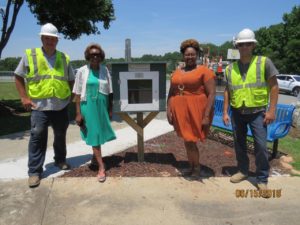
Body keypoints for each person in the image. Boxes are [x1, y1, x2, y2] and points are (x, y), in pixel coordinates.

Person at [14, 23, 75, 188]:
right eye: (47, 38)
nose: (50, 41)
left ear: (57, 40)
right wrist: (23, 97)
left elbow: (71, 79)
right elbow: (18, 76)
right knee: (37, 138)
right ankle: (34, 172)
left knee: (60, 136)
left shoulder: (64, 58)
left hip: (60, 106)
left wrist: (70, 96)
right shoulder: (30, 55)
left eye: (53, 39)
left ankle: (60, 160)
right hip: (39, 107)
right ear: (42, 38)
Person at [222, 28, 279, 192]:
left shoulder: (264, 62)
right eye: (241, 44)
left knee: (261, 146)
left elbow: (274, 86)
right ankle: (243, 171)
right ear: (237, 47)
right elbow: (227, 90)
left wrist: (272, 110)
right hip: (237, 112)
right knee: (239, 144)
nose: (244, 47)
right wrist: (225, 112)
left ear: (253, 45)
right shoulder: (230, 69)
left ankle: (262, 179)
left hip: (258, 113)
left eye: (248, 44)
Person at [167, 39, 216, 177]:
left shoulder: (204, 71)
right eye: (187, 54)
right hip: (181, 112)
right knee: (186, 140)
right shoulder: (177, 72)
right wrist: (168, 109)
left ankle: (196, 168)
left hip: (196, 110)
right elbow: (171, 92)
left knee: (191, 140)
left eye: (192, 54)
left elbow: (212, 93)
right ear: (183, 55)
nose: (190, 57)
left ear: (197, 55)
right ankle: (192, 166)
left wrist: (206, 116)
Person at [73, 43, 116, 182]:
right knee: (94, 134)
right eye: (92, 54)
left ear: (101, 56)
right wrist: (78, 113)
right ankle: (101, 167)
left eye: (97, 54)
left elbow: (110, 92)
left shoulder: (105, 70)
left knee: (99, 134)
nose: (95, 57)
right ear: (88, 56)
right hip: (88, 106)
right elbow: (77, 94)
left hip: (101, 106)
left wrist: (110, 109)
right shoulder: (81, 71)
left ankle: (94, 158)